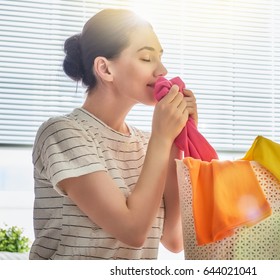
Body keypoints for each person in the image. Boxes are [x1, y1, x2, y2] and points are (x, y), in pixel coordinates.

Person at [29, 8, 198, 260]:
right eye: (146, 58)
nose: (162, 70)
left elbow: (174, 239)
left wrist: (178, 139)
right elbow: (132, 230)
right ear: (105, 69)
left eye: (160, 57)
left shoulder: (147, 144)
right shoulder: (61, 134)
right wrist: (162, 138)